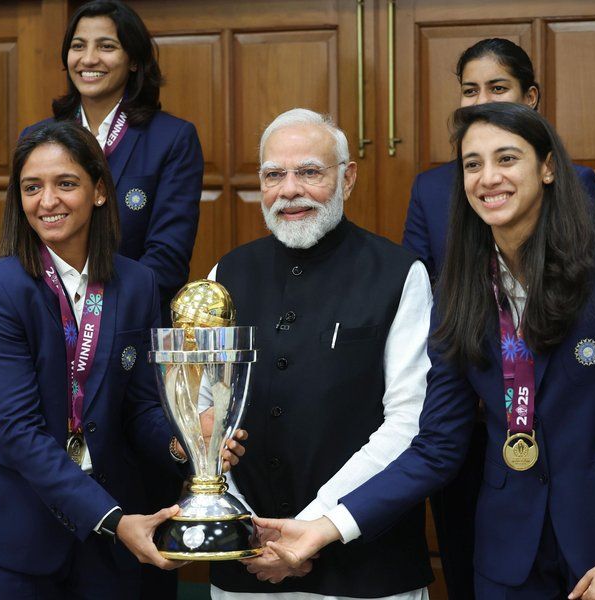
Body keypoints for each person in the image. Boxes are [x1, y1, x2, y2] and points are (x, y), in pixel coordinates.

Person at [255, 103, 595, 600]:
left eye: (507, 159)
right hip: (507, 555)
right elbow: (438, 446)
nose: (489, 178)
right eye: (473, 164)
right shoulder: (459, 288)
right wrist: (326, 527)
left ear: (547, 167)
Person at [0, 122, 234, 599]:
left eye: (65, 183)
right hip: (16, 534)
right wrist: (111, 520)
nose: (47, 200)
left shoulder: (136, 283)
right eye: (32, 187)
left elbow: (139, 407)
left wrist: (189, 441)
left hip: (111, 542)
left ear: (97, 191)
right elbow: (15, 427)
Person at [206, 108, 434, 599]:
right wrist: (249, 529)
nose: (289, 190)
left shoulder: (400, 274)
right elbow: (204, 416)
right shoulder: (226, 275)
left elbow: (409, 423)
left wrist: (312, 528)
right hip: (247, 561)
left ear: (347, 178)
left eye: (309, 172)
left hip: (366, 564)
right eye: (274, 175)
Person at [402, 39, 595, 599]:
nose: (488, 178)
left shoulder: (576, 186)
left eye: (497, 89)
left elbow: (582, 292)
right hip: (472, 413)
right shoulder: (433, 187)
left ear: (530, 98)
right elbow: (423, 295)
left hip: (560, 415)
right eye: (470, 91)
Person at [24, 0, 203, 322]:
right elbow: (23, 237)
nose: (89, 59)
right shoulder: (37, 138)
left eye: (106, 46)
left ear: (133, 60)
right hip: (47, 316)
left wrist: (100, 313)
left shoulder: (172, 138)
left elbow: (168, 255)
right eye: (78, 46)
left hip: (131, 322)